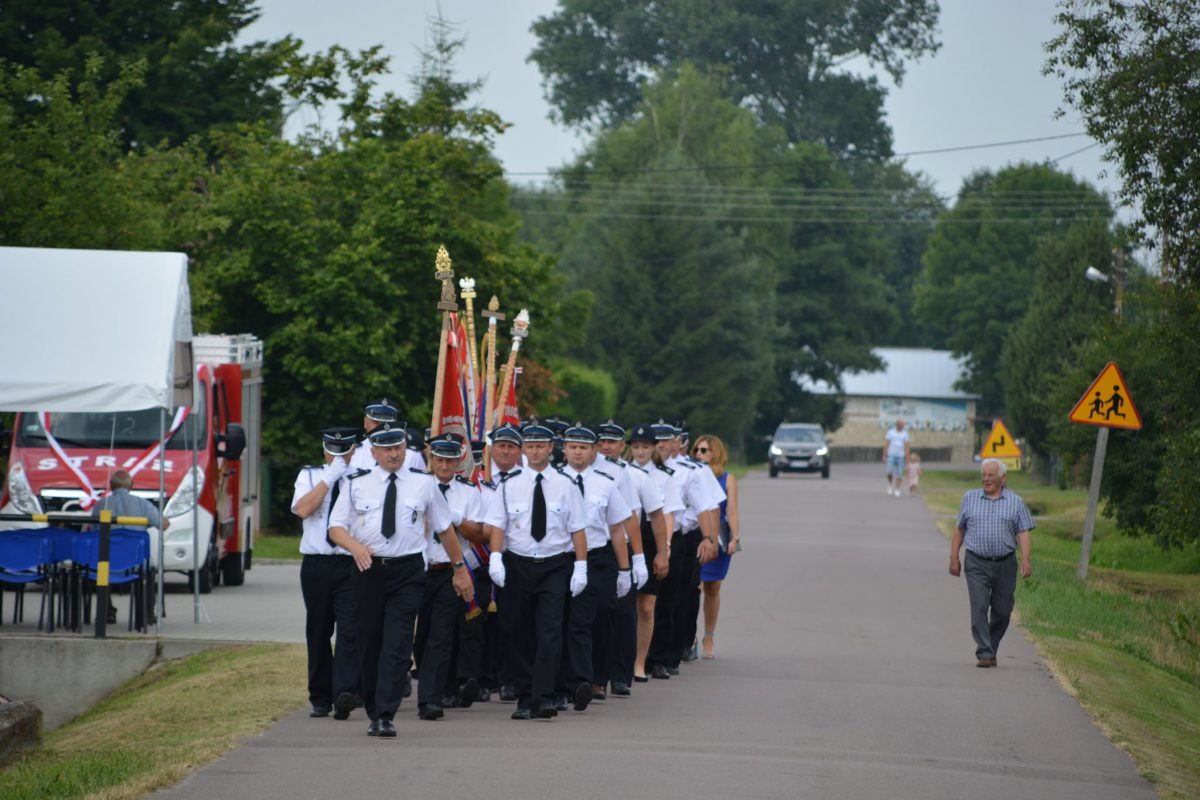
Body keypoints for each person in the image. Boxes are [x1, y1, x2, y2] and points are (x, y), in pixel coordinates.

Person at [328, 423, 474, 737]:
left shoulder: (423, 484)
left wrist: (459, 569)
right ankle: (372, 705)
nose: (393, 454)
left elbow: (445, 529)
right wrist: (355, 548)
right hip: (368, 570)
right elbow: (335, 528)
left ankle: (384, 714)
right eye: (387, 449)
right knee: (370, 643)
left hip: (407, 571)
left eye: (398, 448)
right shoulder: (356, 483)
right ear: (374, 452)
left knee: (397, 643)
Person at [480, 420, 589, 720]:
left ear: (551, 448)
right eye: (530, 446)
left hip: (555, 564)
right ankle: (526, 694)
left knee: (549, 631)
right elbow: (498, 525)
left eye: (540, 445)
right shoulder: (509, 484)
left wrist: (581, 566)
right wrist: (496, 558)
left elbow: (578, 529)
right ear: (523, 450)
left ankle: (542, 697)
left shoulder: (566, 485)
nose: (535, 451)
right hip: (518, 563)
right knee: (518, 631)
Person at [556, 421, 633, 712]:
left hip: (599, 558)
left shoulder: (605, 482)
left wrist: (625, 568)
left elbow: (616, 528)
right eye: (573, 447)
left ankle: (594, 677)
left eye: (583, 448)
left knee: (599, 617)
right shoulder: (554, 481)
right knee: (568, 621)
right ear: (564, 450)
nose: (577, 453)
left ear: (593, 452)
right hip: (562, 558)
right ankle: (575, 683)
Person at [413, 433, 485, 720]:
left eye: (449, 460)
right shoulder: (418, 486)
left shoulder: (468, 492)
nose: (443, 465)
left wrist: (454, 518)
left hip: (448, 571)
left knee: (441, 636)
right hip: (418, 570)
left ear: (459, 462)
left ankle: (430, 699)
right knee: (420, 637)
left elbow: (479, 534)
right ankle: (421, 685)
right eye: (438, 459)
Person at [290, 427, 361, 720]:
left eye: (345, 451)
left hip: (349, 562)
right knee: (318, 630)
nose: (339, 457)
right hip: (317, 563)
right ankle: (319, 696)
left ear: (354, 451)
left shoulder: (362, 479)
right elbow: (303, 510)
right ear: (324, 451)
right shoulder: (309, 476)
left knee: (349, 630)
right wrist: (328, 478)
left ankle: (343, 692)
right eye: (334, 451)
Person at [596, 419, 664, 696]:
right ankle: (595, 676)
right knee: (598, 614)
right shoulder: (582, 472)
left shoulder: (634, 476)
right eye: (602, 441)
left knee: (624, 614)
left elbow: (645, 518)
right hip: (594, 549)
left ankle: (621, 673)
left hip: (621, 548)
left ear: (620, 446)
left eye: (613, 441)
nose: (607, 446)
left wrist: (647, 556)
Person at [948, 458, 1034, 668]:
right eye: (984, 475)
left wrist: (1025, 558)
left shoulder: (1016, 502)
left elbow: (1023, 532)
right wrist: (953, 557)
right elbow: (960, 529)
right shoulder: (969, 498)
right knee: (979, 605)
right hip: (976, 561)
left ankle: (991, 646)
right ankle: (984, 652)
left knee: (1003, 610)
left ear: (1002, 478)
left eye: (990, 475)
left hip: (1005, 563)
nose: (986, 479)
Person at [627, 423, 682, 682]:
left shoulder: (663, 477)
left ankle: (640, 662)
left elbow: (666, 515)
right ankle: (622, 659)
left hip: (651, 536)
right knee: (623, 606)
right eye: (636, 447)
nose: (640, 452)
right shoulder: (621, 473)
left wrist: (665, 549)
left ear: (653, 448)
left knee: (647, 606)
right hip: (625, 536)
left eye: (645, 447)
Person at [89, 469, 168, 625]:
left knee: (101, 570)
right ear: (131, 485)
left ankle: (107, 612)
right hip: (136, 561)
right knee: (149, 571)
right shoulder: (143, 504)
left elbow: (92, 530)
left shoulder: (100, 505)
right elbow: (163, 525)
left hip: (106, 561)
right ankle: (146, 614)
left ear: (110, 487)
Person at [693, 435, 740, 660]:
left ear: (716, 453)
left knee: (713, 588)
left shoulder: (727, 478)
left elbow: (731, 510)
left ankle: (708, 636)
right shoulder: (690, 473)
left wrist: (734, 537)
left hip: (720, 533)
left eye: (704, 451)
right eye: (697, 450)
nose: (699, 454)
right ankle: (688, 636)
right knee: (693, 587)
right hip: (696, 534)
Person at [882, 419, 910, 497]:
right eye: (901, 425)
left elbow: (907, 446)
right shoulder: (890, 432)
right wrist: (884, 455)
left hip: (901, 456)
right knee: (889, 471)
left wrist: (907, 458)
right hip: (891, 454)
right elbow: (886, 444)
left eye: (903, 425)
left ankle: (897, 489)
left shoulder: (905, 433)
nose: (902, 426)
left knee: (899, 474)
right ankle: (890, 484)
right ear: (897, 424)